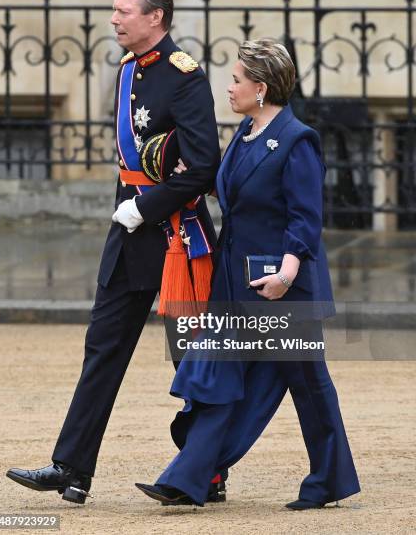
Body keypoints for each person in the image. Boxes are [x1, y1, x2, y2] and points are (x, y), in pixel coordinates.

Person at [6, 0, 223, 504]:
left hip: (177, 237)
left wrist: (145, 207)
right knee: (102, 349)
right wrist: (128, 211)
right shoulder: (128, 70)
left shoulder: (185, 77)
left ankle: (207, 475)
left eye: (124, 11)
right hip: (129, 234)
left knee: (191, 360)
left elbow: (203, 167)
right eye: (115, 9)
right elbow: (134, 161)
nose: (113, 19)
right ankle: (72, 468)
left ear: (156, 17)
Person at [135, 38, 360, 509]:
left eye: (236, 79)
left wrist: (286, 272)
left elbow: (305, 217)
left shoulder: (297, 139)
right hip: (235, 283)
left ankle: (330, 481)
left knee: (309, 387)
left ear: (260, 88)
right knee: (220, 380)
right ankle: (190, 478)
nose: (229, 87)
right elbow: (239, 194)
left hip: (282, 289)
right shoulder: (245, 133)